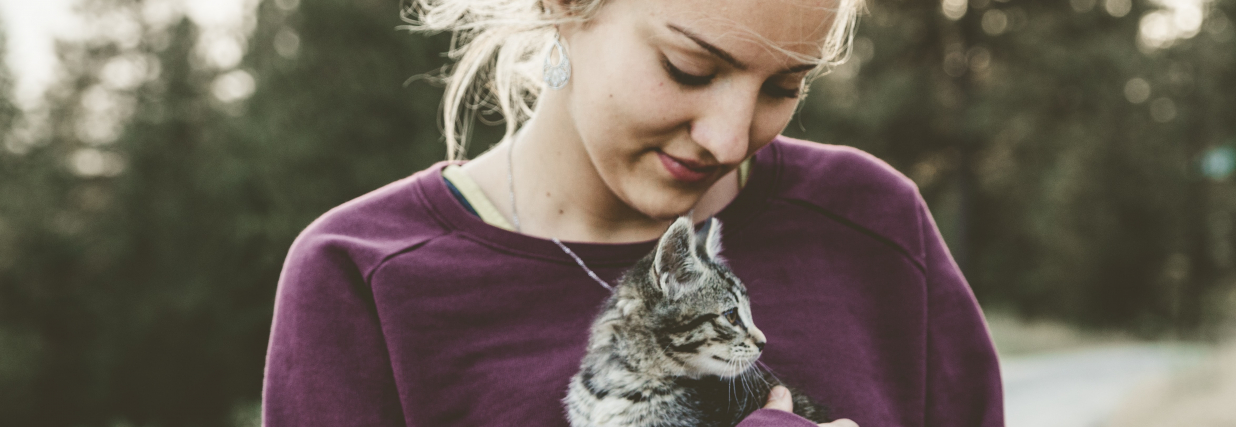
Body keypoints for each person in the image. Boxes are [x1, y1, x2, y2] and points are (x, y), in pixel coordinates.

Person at [261, 0, 1004, 425]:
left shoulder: (873, 225)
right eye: (691, 68)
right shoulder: (362, 277)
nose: (729, 136)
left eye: (784, 86)